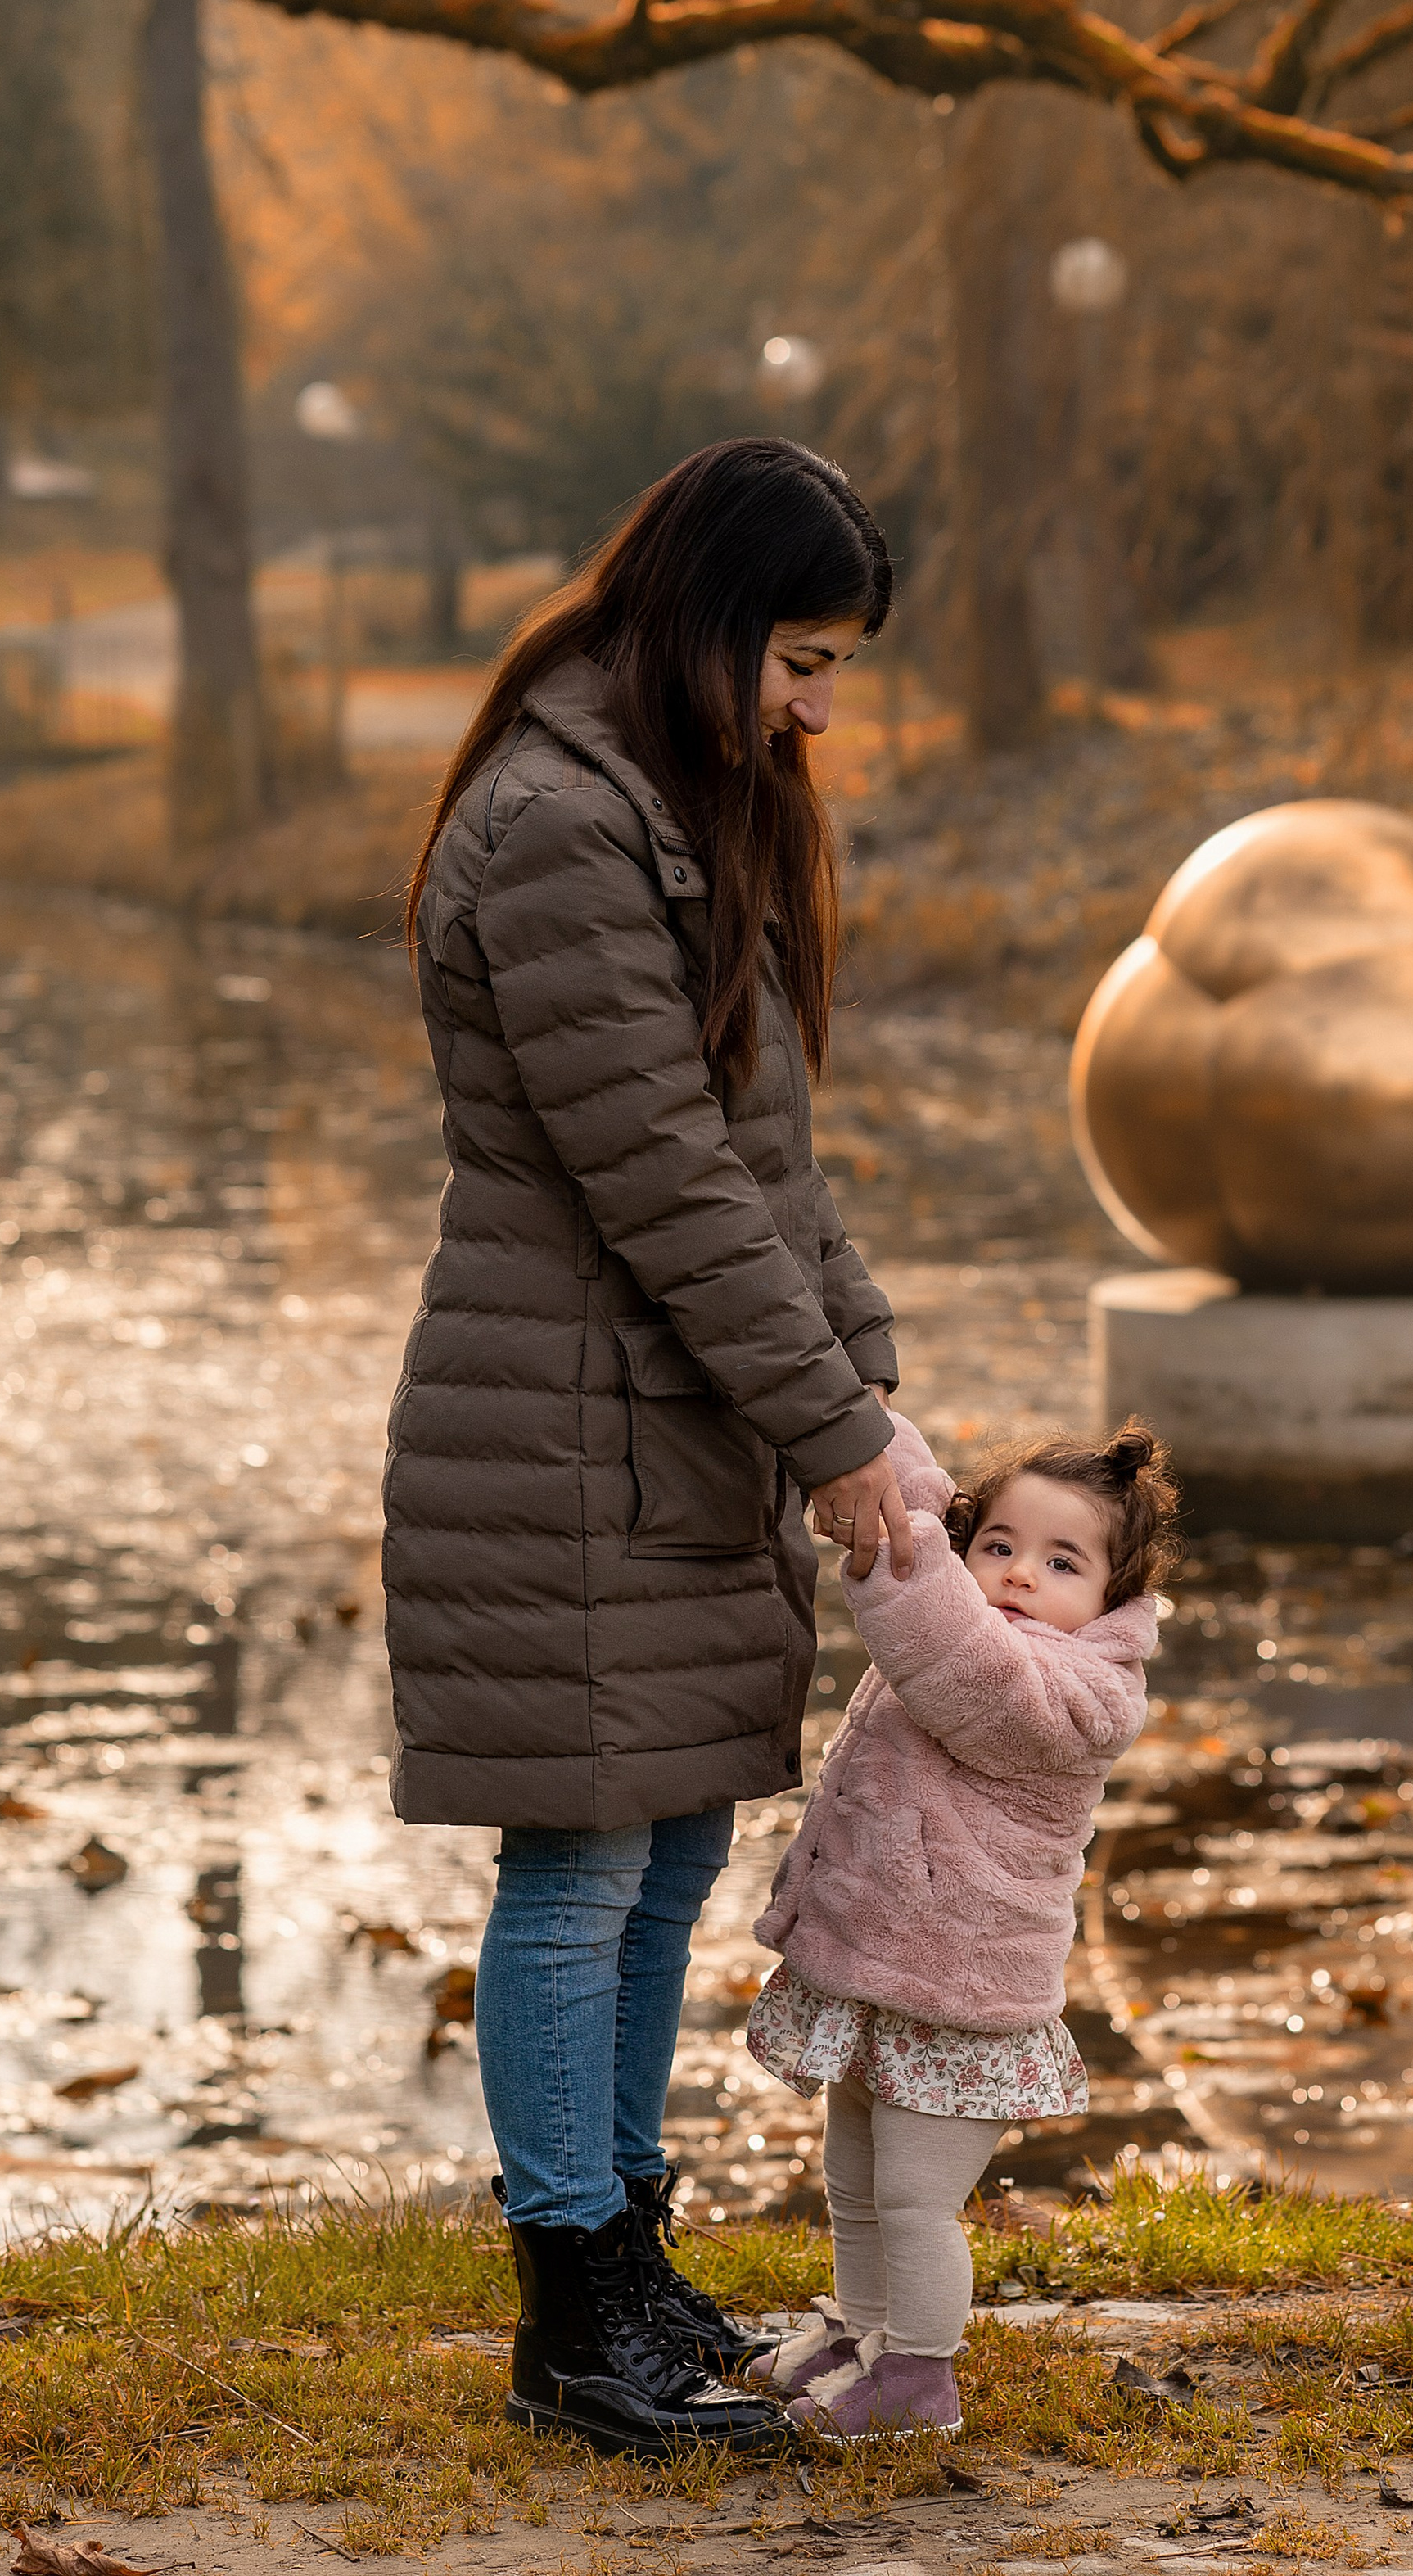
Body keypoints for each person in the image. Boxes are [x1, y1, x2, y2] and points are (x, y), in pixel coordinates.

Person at [383, 437, 914, 2462]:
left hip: (666, 1428)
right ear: (704, 620)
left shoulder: (675, 804)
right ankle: (567, 2316)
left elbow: (772, 1158)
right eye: (797, 655)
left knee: (669, 1840)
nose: (814, 705)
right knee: (582, 1858)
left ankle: (630, 2255)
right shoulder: (551, 824)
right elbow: (666, 1177)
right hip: (562, 1429)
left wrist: (869, 1388)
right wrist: (832, 1426)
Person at [744, 1412, 1176, 2440]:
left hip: (963, 1991)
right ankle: (864, 2335)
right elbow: (934, 1560)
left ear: (1113, 1597)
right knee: (850, 2181)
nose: (1020, 1573)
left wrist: (901, 1542)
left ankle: (921, 2376)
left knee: (915, 2202)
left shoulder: (1072, 1692)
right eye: (999, 1544)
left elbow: (943, 1637)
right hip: (884, 1968)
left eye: (1061, 1561)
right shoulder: (979, 1629)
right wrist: (865, 1427)